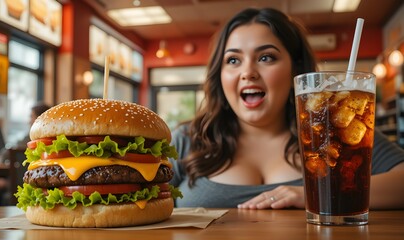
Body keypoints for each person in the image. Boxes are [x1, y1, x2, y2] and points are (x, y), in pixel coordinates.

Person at [169, 8, 404, 210]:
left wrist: (311, 197)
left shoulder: (329, 131)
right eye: (233, 60)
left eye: (266, 57)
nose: (247, 72)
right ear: (219, 74)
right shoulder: (187, 140)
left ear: (296, 70)